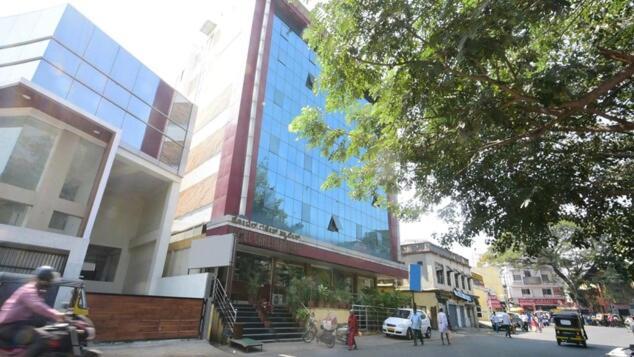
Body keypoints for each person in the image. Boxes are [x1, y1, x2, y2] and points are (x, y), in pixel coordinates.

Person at [0, 266, 65, 357]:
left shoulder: (36, 292)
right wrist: (58, 315)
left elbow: (41, 308)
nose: (50, 284)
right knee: (43, 338)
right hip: (8, 327)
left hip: (17, 326)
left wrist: (55, 320)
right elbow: (37, 306)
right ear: (44, 279)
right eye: (49, 281)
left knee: (48, 333)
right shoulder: (29, 290)